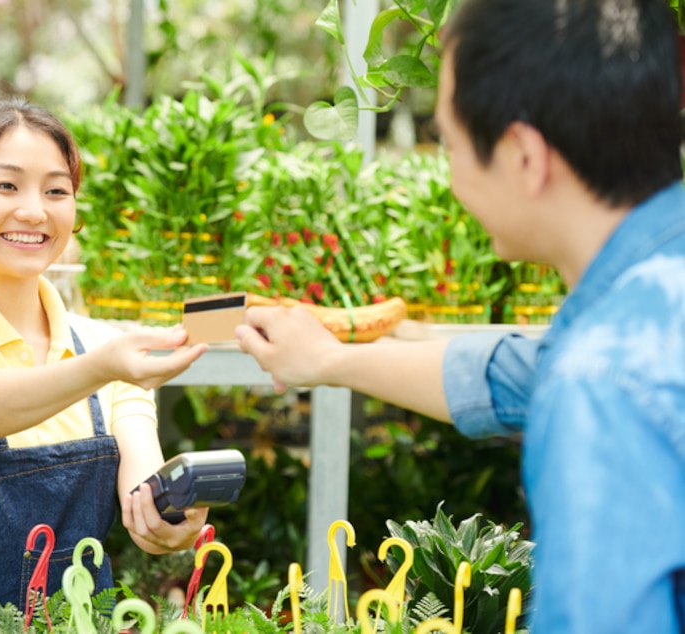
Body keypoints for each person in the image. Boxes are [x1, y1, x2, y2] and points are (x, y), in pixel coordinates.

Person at [237, 0, 685, 631]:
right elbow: (512, 376)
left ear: (523, 156)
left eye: (447, 144)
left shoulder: (600, 383)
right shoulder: (646, 311)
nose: (448, 179)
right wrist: (331, 359)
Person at [0, 98, 209, 632]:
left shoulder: (104, 347)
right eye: (6, 186)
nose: (34, 210)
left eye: (56, 191)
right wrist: (101, 367)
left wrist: (169, 520)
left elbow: (143, 490)